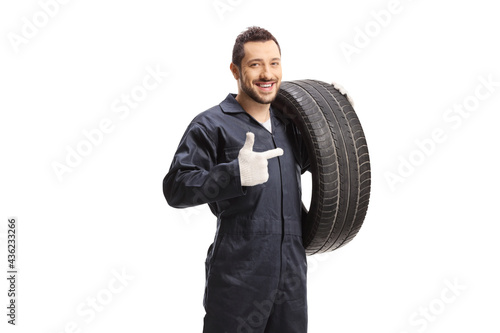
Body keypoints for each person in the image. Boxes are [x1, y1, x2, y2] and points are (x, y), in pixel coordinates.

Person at [163, 26, 310, 333]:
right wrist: (234, 173)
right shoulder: (211, 124)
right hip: (238, 279)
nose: (267, 74)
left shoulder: (292, 125)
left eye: (274, 63)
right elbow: (176, 186)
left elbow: (326, 164)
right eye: (255, 64)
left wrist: (337, 114)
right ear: (235, 70)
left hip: (292, 282)